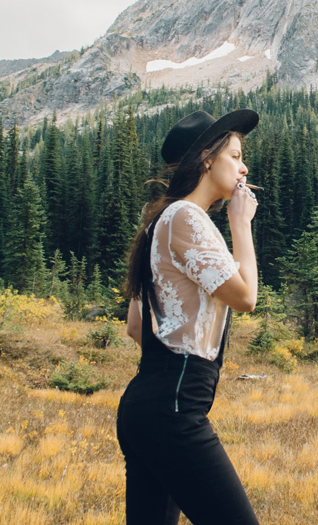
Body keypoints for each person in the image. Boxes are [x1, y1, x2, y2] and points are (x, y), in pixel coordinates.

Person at [117, 109, 261, 525]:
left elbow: (135, 325)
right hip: (175, 409)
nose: (243, 166)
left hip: (148, 405)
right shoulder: (186, 217)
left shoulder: (160, 223)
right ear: (206, 160)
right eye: (235, 155)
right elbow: (246, 296)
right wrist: (241, 224)